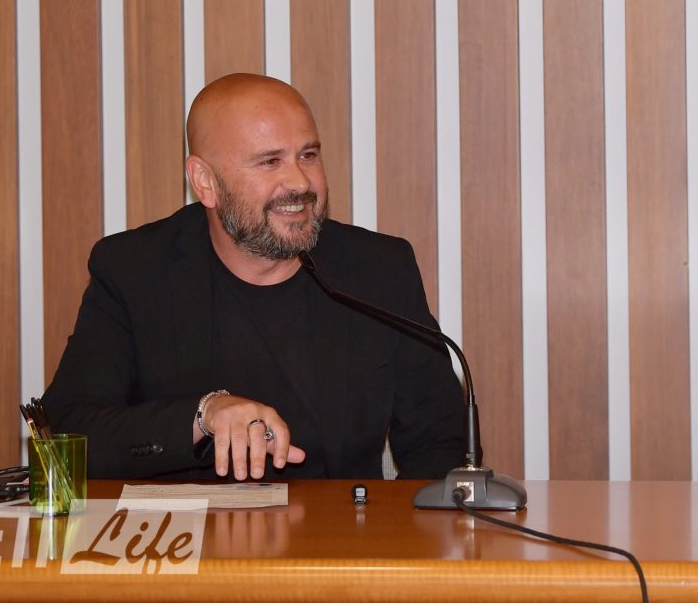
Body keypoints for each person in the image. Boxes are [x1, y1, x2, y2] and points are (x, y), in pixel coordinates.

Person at [42, 73, 465, 482]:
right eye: (269, 161)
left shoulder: (377, 270)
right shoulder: (135, 271)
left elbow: (442, 444)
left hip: (336, 526)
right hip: (191, 529)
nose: (300, 182)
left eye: (308, 155)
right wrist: (202, 416)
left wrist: (396, 524)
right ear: (205, 181)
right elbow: (66, 434)